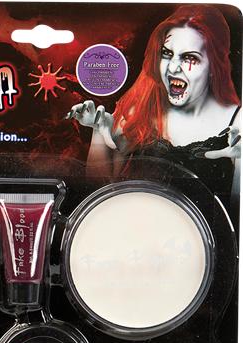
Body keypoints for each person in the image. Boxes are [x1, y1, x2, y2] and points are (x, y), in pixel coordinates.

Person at [70, 5, 241, 202]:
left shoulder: (237, 123)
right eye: (167, 53)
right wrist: (99, 132)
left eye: (190, 57)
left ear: (215, 66)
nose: (173, 68)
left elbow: (237, 211)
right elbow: (98, 193)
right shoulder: (139, 110)